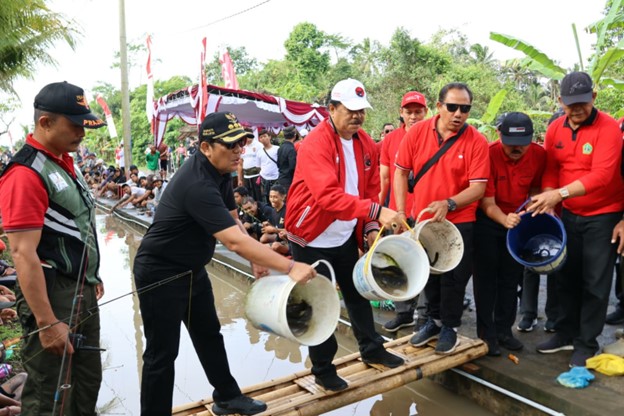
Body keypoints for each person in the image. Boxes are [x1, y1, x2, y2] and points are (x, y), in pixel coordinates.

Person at [132, 111, 317, 416]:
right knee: (162, 354)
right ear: (206, 147)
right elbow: (232, 241)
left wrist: (254, 259)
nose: (238, 152)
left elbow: (233, 222)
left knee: (209, 333)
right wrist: (290, 267)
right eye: (230, 146)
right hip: (160, 272)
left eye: (241, 144)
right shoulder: (196, 183)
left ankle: (227, 396)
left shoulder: (220, 172)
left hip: (192, 270)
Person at [286, 78, 405, 392]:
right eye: (350, 110)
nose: (357, 116)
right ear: (332, 109)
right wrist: (378, 213)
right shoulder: (315, 143)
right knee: (317, 302)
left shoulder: (366, 142)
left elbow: (368, 189)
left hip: (343, 234)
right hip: (311, 236)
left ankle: (372, 349)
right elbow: (327, 197)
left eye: (361, 111)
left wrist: (368, 229)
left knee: (356, 294)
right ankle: (323, 369)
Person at [0, 81, 106, 415]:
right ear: (45, 123)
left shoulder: (61, 162)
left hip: (80, 289)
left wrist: (92, 275)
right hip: (53, 294)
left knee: (86, 382)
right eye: (74, 125)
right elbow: (22, 253)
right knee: (49, 391)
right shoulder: (26, 173)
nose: (82, 133)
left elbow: (78, 227)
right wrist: (46, 322)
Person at [528, 71, 624, 367]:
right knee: (565, 277)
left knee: (595, 282)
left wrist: (559, 194)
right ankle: (566, 333)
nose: (577, 109)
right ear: (561, 101)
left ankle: (586, 343)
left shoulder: (608, 128)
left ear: (594, 98)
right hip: (568, 215)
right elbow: (551, 169)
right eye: (571, 104)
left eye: (583, 102)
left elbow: (603, 176)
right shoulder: (556, 128)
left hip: (603, 215)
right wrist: (548, 196)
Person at [394, 82, 489, 355]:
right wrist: (402, 212)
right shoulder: (417, 133)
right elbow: (400, 172)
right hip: (423, 219)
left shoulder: (477, 141)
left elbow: (478, 187)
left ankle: (450, 326)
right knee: (429, 272)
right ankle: (433, 322)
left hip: (459, 220)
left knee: (454, 276)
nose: (458, 114)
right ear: (438, 107)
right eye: (452, 107)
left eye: (465, 108)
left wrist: (450, 203)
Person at [472, 112, 546, 356]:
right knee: (486, 280)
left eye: (522, 143)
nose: (516, 149)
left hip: (518, 222)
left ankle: (504, 330)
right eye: (510, 143)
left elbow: (535, 187)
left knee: (510, 278)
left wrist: (529, 207)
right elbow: (486, 201)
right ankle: (486, 333)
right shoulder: (489, 154)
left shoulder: (538, 154)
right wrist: (504, 219)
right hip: (490, 221)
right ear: (499, 134)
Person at [378, 91, 429, 333]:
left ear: (426, 112)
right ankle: (404, 312)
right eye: (409, 112)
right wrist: (379, 212)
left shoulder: (434, 137)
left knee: (426, 262)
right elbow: (385, 178)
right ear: (401, 113)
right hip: (398, 212)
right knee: (397, 262)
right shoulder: (390, 140)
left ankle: (425, 314)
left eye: (418, 112)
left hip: (425, 211)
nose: (413, 116)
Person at [237, 131, 262, 202]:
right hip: (246, 175)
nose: (248, 139)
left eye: (249, 136)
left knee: (258, 194)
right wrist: (239, 179)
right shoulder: (241, 146)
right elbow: (240, 164)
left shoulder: (258, 145)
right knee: (248, 195)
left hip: (257, 174)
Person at [256, 129, 279, 203]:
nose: (263, 138)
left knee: (277, 197)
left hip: (276, 177)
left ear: (269, 137)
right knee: (266, 198)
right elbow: (258, 166)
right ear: (259, 139)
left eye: (265, 136)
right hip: (264, 178)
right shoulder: (259, 152)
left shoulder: (277, 149)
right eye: (261, 137)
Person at [276, 126, 298, 193]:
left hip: (281, 177)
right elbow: (292, 167)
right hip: (289, 180)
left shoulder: (280, 148)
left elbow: (278, 163)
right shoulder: (291, 149)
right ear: (294, 136)